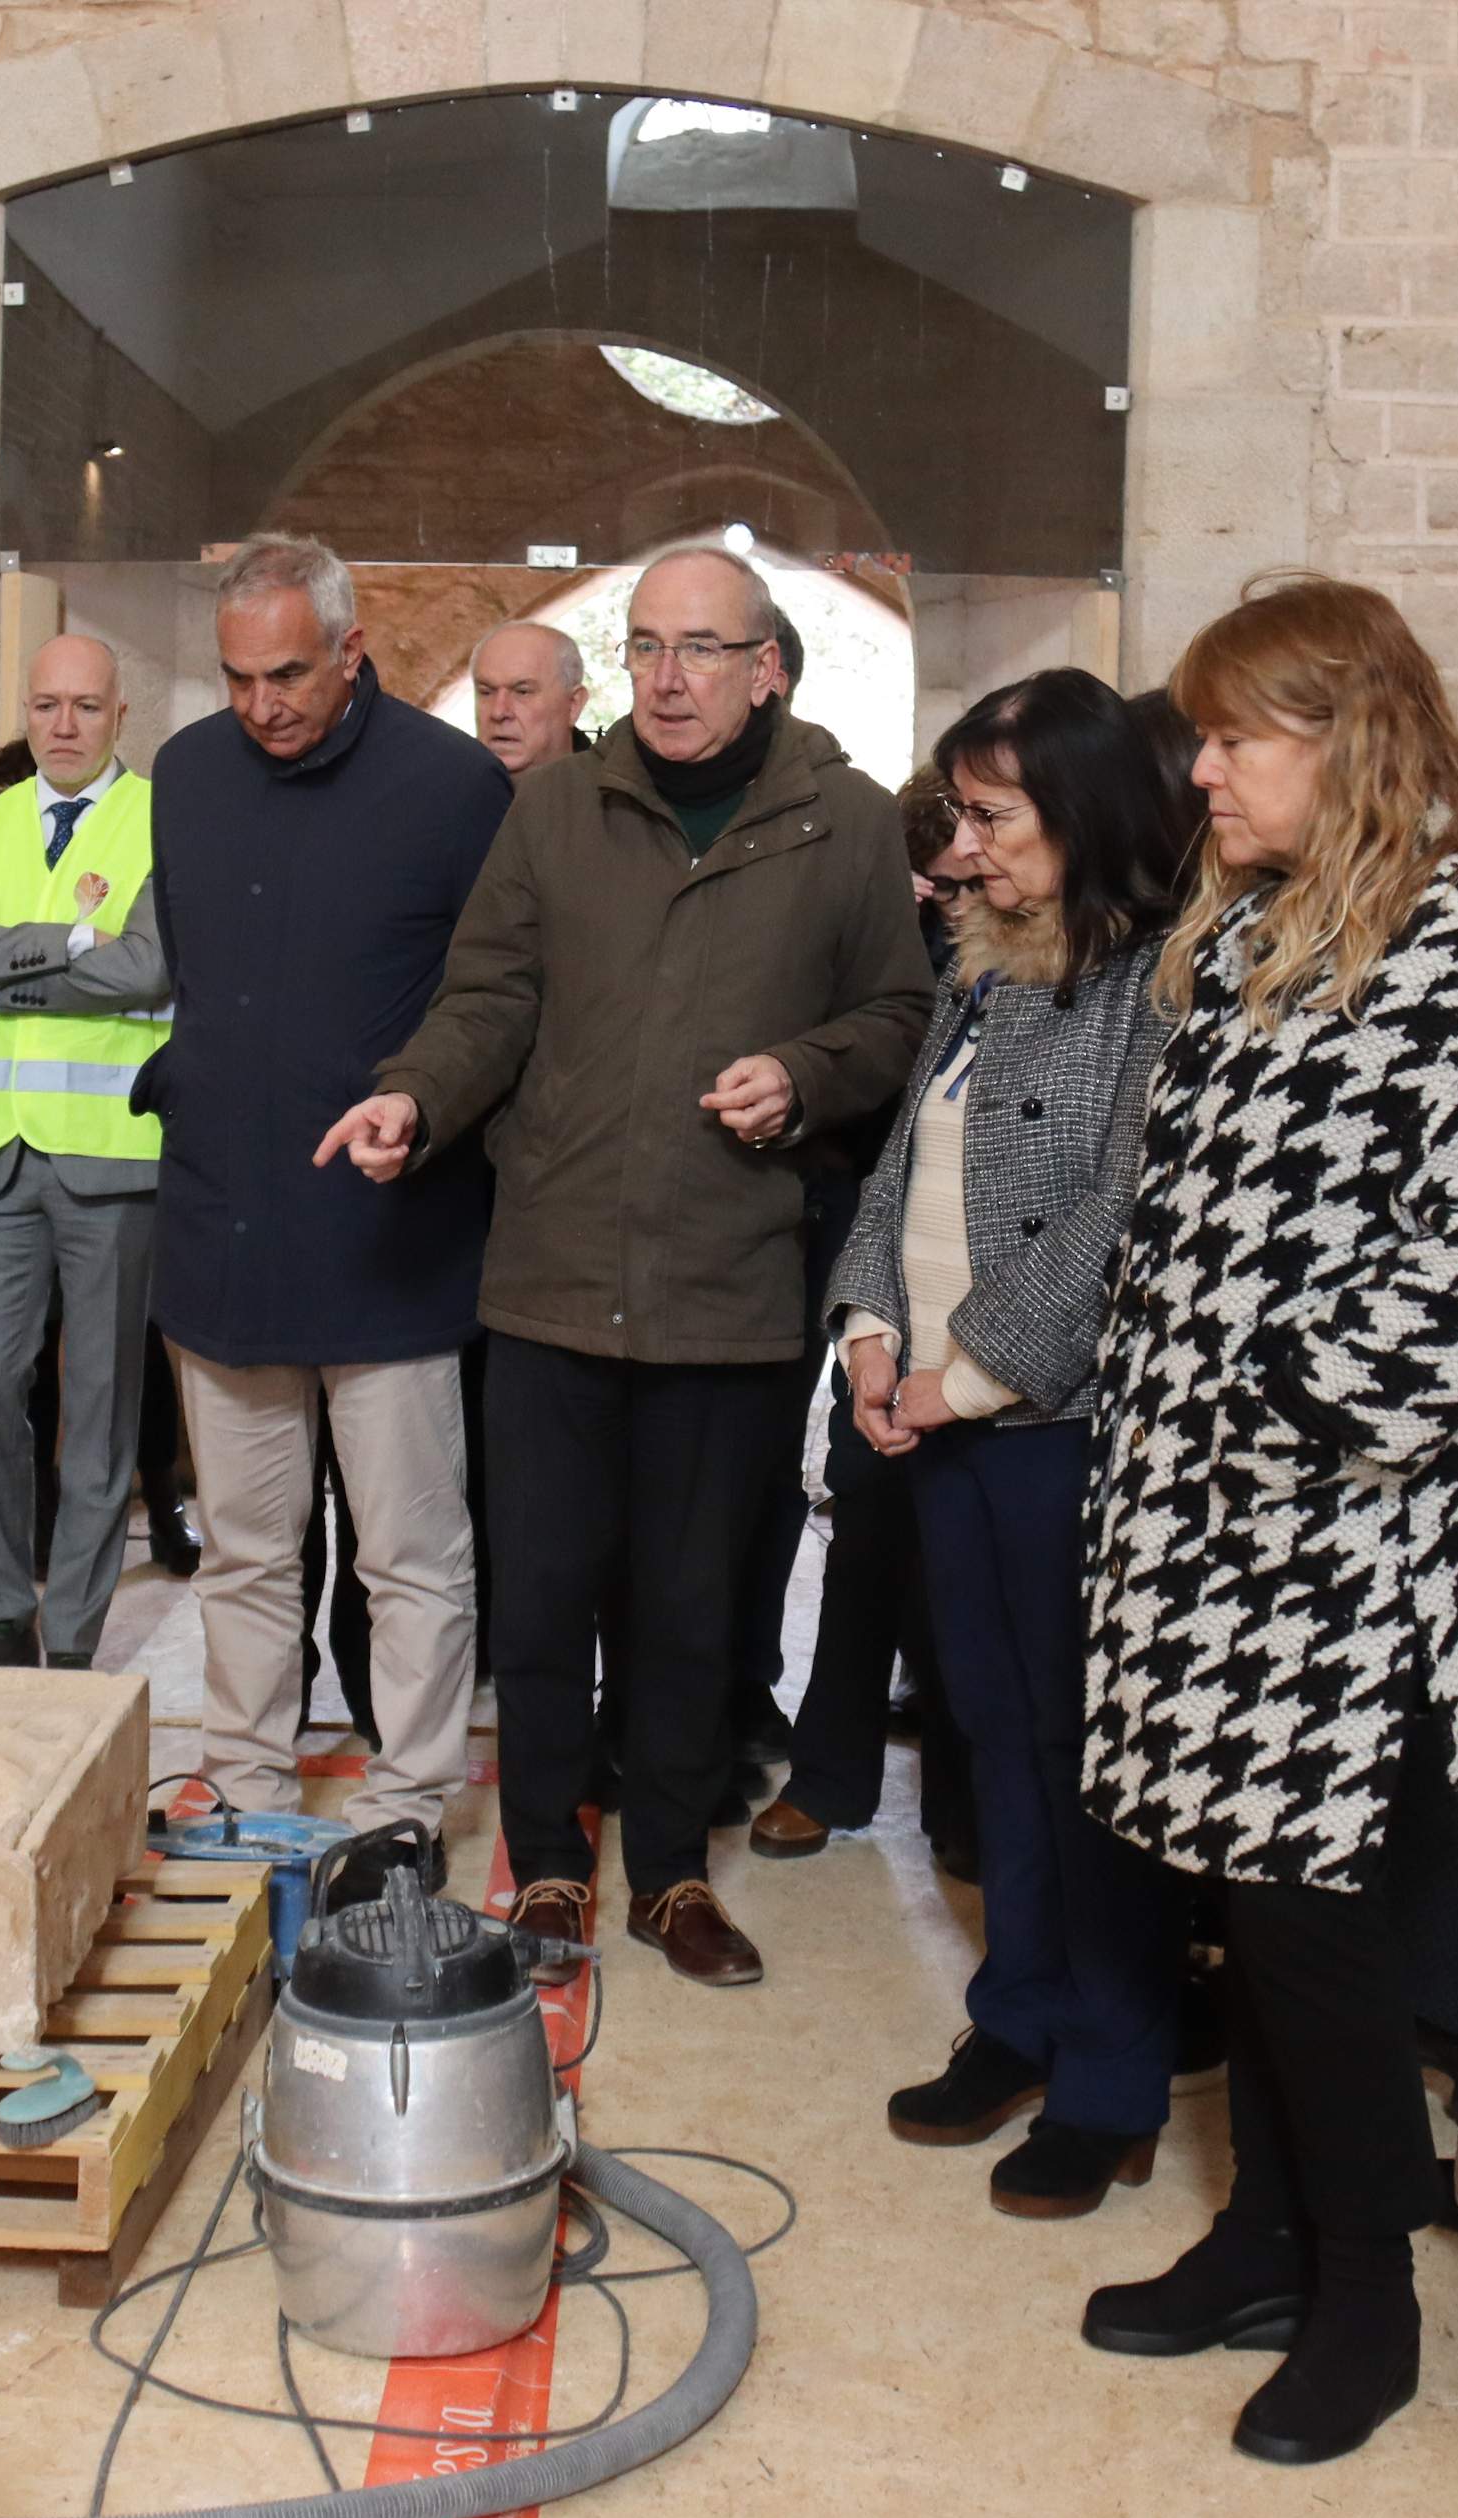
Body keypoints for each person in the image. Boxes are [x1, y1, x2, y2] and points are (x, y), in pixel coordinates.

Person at [1069, 574, 1458, 2468]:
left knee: (1320, 1926)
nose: (1198, 768)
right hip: (1204, 1526)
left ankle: (1365, 2288)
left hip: (1346, 1546)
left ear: (1343, 735)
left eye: (1234, 736)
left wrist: (1284, 1418)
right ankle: (1265, 2233)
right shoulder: (1270, 926)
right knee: (1237, 1902)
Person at [326, 548, 932, 1983]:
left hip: (727, 1286)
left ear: (768, 667)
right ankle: (545, 1867)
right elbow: (489, 999)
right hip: (548, 1275)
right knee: (539, 1596)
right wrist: (420, 1093)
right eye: (649, 646)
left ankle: (666, 1874)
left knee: (688, 1606)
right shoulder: (554, 810)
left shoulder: (839, 823)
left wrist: (804, 1073)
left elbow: (900, 1013)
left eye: (703, 649)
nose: (669, 677)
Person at [831, 676, 1200, 2219]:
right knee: (992, 1739)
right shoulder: (982, 972)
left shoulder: (1154, 988)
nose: (961, 851)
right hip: (936, 1415)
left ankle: (1112, 2074)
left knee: (1082, 1758)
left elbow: (1124, 1213)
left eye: (993, 819)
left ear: (1084, 815)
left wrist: (968, 1374)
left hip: (1048, 1426)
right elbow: (902, 1168)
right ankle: (1018, 2018)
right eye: (960, 817)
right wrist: (864, 1324)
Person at [146, 534, 518, 1852]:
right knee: (245, 1552)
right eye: (238, 677)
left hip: (388, 1238)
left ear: (352, 648)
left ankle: (409, 1800)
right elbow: (197, 977)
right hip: (220, 1229)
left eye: (290, 674)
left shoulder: (455, 786)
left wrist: (421, 1107)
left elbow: (498, 999)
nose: (263, 706)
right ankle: (244, 1780)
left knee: (407, 1559)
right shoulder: (184, 776)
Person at [0, 634, 169, 1670]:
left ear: (120, 714)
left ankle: (70, 1639)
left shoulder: (158, 819)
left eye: (86, 707)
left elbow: (150, 969)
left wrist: (2, 953)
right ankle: (4, 1613)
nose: (64, 726)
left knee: (101, 1416)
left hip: (111, 1155)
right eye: (47, 706)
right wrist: (68, 943)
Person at [751, 765, 982, 1877]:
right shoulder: (892, 943)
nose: (937, 902)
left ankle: (961, 1798)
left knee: (970, 1557)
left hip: (997, 1288)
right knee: (867, 1503)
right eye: (922, 884)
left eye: (953, 881)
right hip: (883, 1268)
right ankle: (830, 1772)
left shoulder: (1044, 955)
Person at [469, 621, 591, 776]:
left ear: (573, 705)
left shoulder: (612, 795)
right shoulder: (441, 789)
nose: (498, 712)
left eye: (522, 692)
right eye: (486, 692)